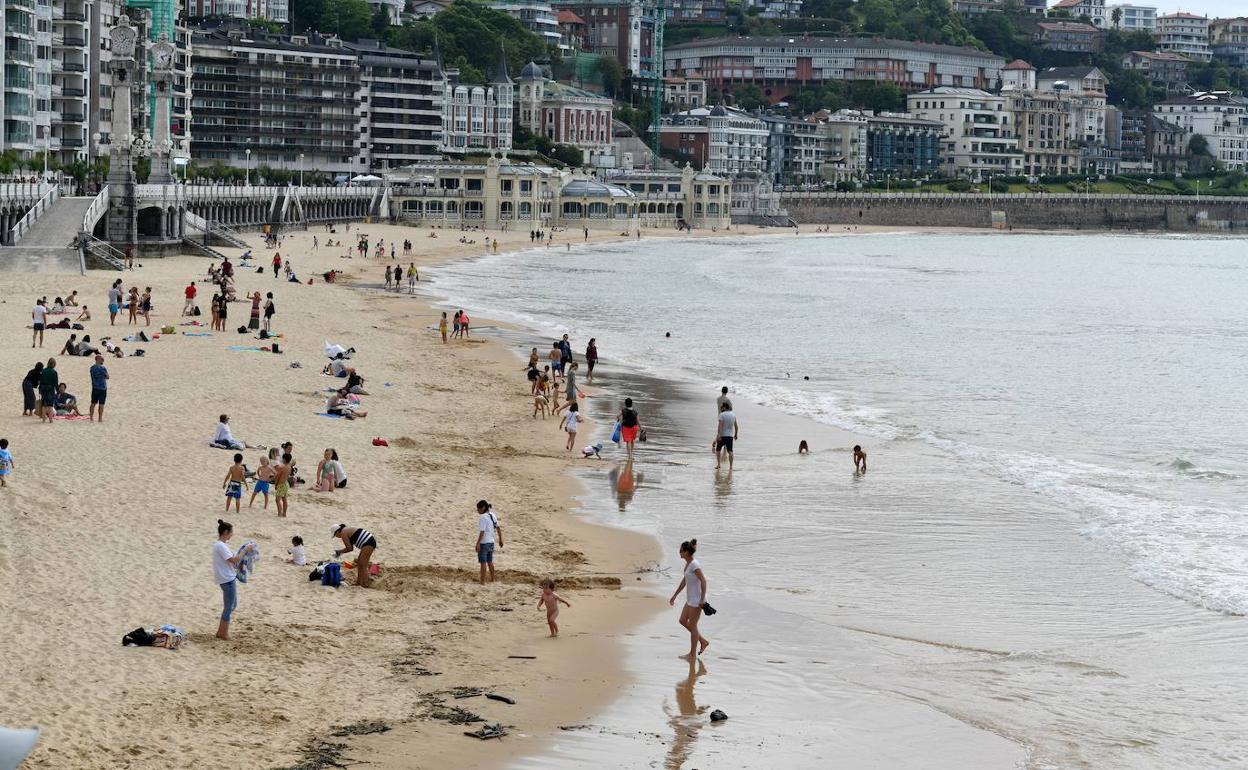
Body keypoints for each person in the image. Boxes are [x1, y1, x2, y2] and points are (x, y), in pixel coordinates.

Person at [669, 538, 709, 658]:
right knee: (682, 620)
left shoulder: (694, 565)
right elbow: (685, 581)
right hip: (690, 599)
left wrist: (702, 599)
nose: (679, 552)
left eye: (681, 550)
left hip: (697, 601)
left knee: (693, 625)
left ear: (686, 552)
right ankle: (703, 641)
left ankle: (692, 654)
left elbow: (703, 580)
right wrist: (675, 594)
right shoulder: (688, 565)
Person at [214, 519, 245, 640]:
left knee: (233, 605)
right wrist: (245, 551)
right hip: (226, 579)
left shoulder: (221, 545)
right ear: (225, 532)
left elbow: (231, 558)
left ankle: (221, 631)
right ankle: (223, 633)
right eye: (231, 532)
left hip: (227, 578)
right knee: (229, 606)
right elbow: (234, 560)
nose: (232, 535)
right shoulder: (220, 546)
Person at [331, 524, 377, 588]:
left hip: (368, 543)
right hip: (368, 542)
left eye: (335, 535)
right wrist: (340, 552)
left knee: (363, 565)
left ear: (337, 532)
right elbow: (350, 548)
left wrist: (340, 551)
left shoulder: (343, 533)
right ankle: (359, 583)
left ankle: (365, 584)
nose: (337, 537)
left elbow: (349, 548)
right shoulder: (345, 530)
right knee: (360, 564)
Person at [475, 500, 503, 584]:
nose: (477, 511)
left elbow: (482, 531)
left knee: (483, 562)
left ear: (483, 508)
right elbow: (498, 528)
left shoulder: (483, 517)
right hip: (491, 542)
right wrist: (501, 539)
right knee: (490, 561)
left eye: (478, 509)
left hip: (484, 543)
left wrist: (478, 543)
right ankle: (492, 579)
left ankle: (482, 581)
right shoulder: (492, 515)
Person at [714, 403, 738, 471]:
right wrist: (736, 434)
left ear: (725, 407)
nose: (721, 408)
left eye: (722, 407)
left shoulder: (722, 414)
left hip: (723, 435)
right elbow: (736, 426)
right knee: (730, 451)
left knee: (718, 449)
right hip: (730, 436)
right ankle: (731, 467)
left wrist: (719, 435)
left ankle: (718, 464)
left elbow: (720, 426)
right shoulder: (733, 415)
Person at [37, 358, 58, 423]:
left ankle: (43, 419)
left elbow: (40, 380)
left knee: (44, 404)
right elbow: (55, 382)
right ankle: (50, 419)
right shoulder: (54, 372)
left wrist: (40, 389)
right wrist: (57, 390)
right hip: (50, 388)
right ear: (54, 364)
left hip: (43, 387)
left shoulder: (43, 370)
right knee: (50, 405)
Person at [89, 355, 108, 422]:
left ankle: (91, 417)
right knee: (101, 404)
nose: (102, 361)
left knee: (93, 403)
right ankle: (100, 418)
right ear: (98, 359)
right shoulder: (103, 368)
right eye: (102, 359)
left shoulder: (92, 368)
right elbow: (107, 376)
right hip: (102, 388)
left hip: (95, 387)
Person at [273, 453, 292, 518]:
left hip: (281, 485)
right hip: (286, 484)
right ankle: (284, 513)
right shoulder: (289, 467)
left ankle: (279, 513)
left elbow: (278, 477)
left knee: (277, 500)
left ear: (284, 459)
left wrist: (276, 484)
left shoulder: (282, 467)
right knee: (284, 500)